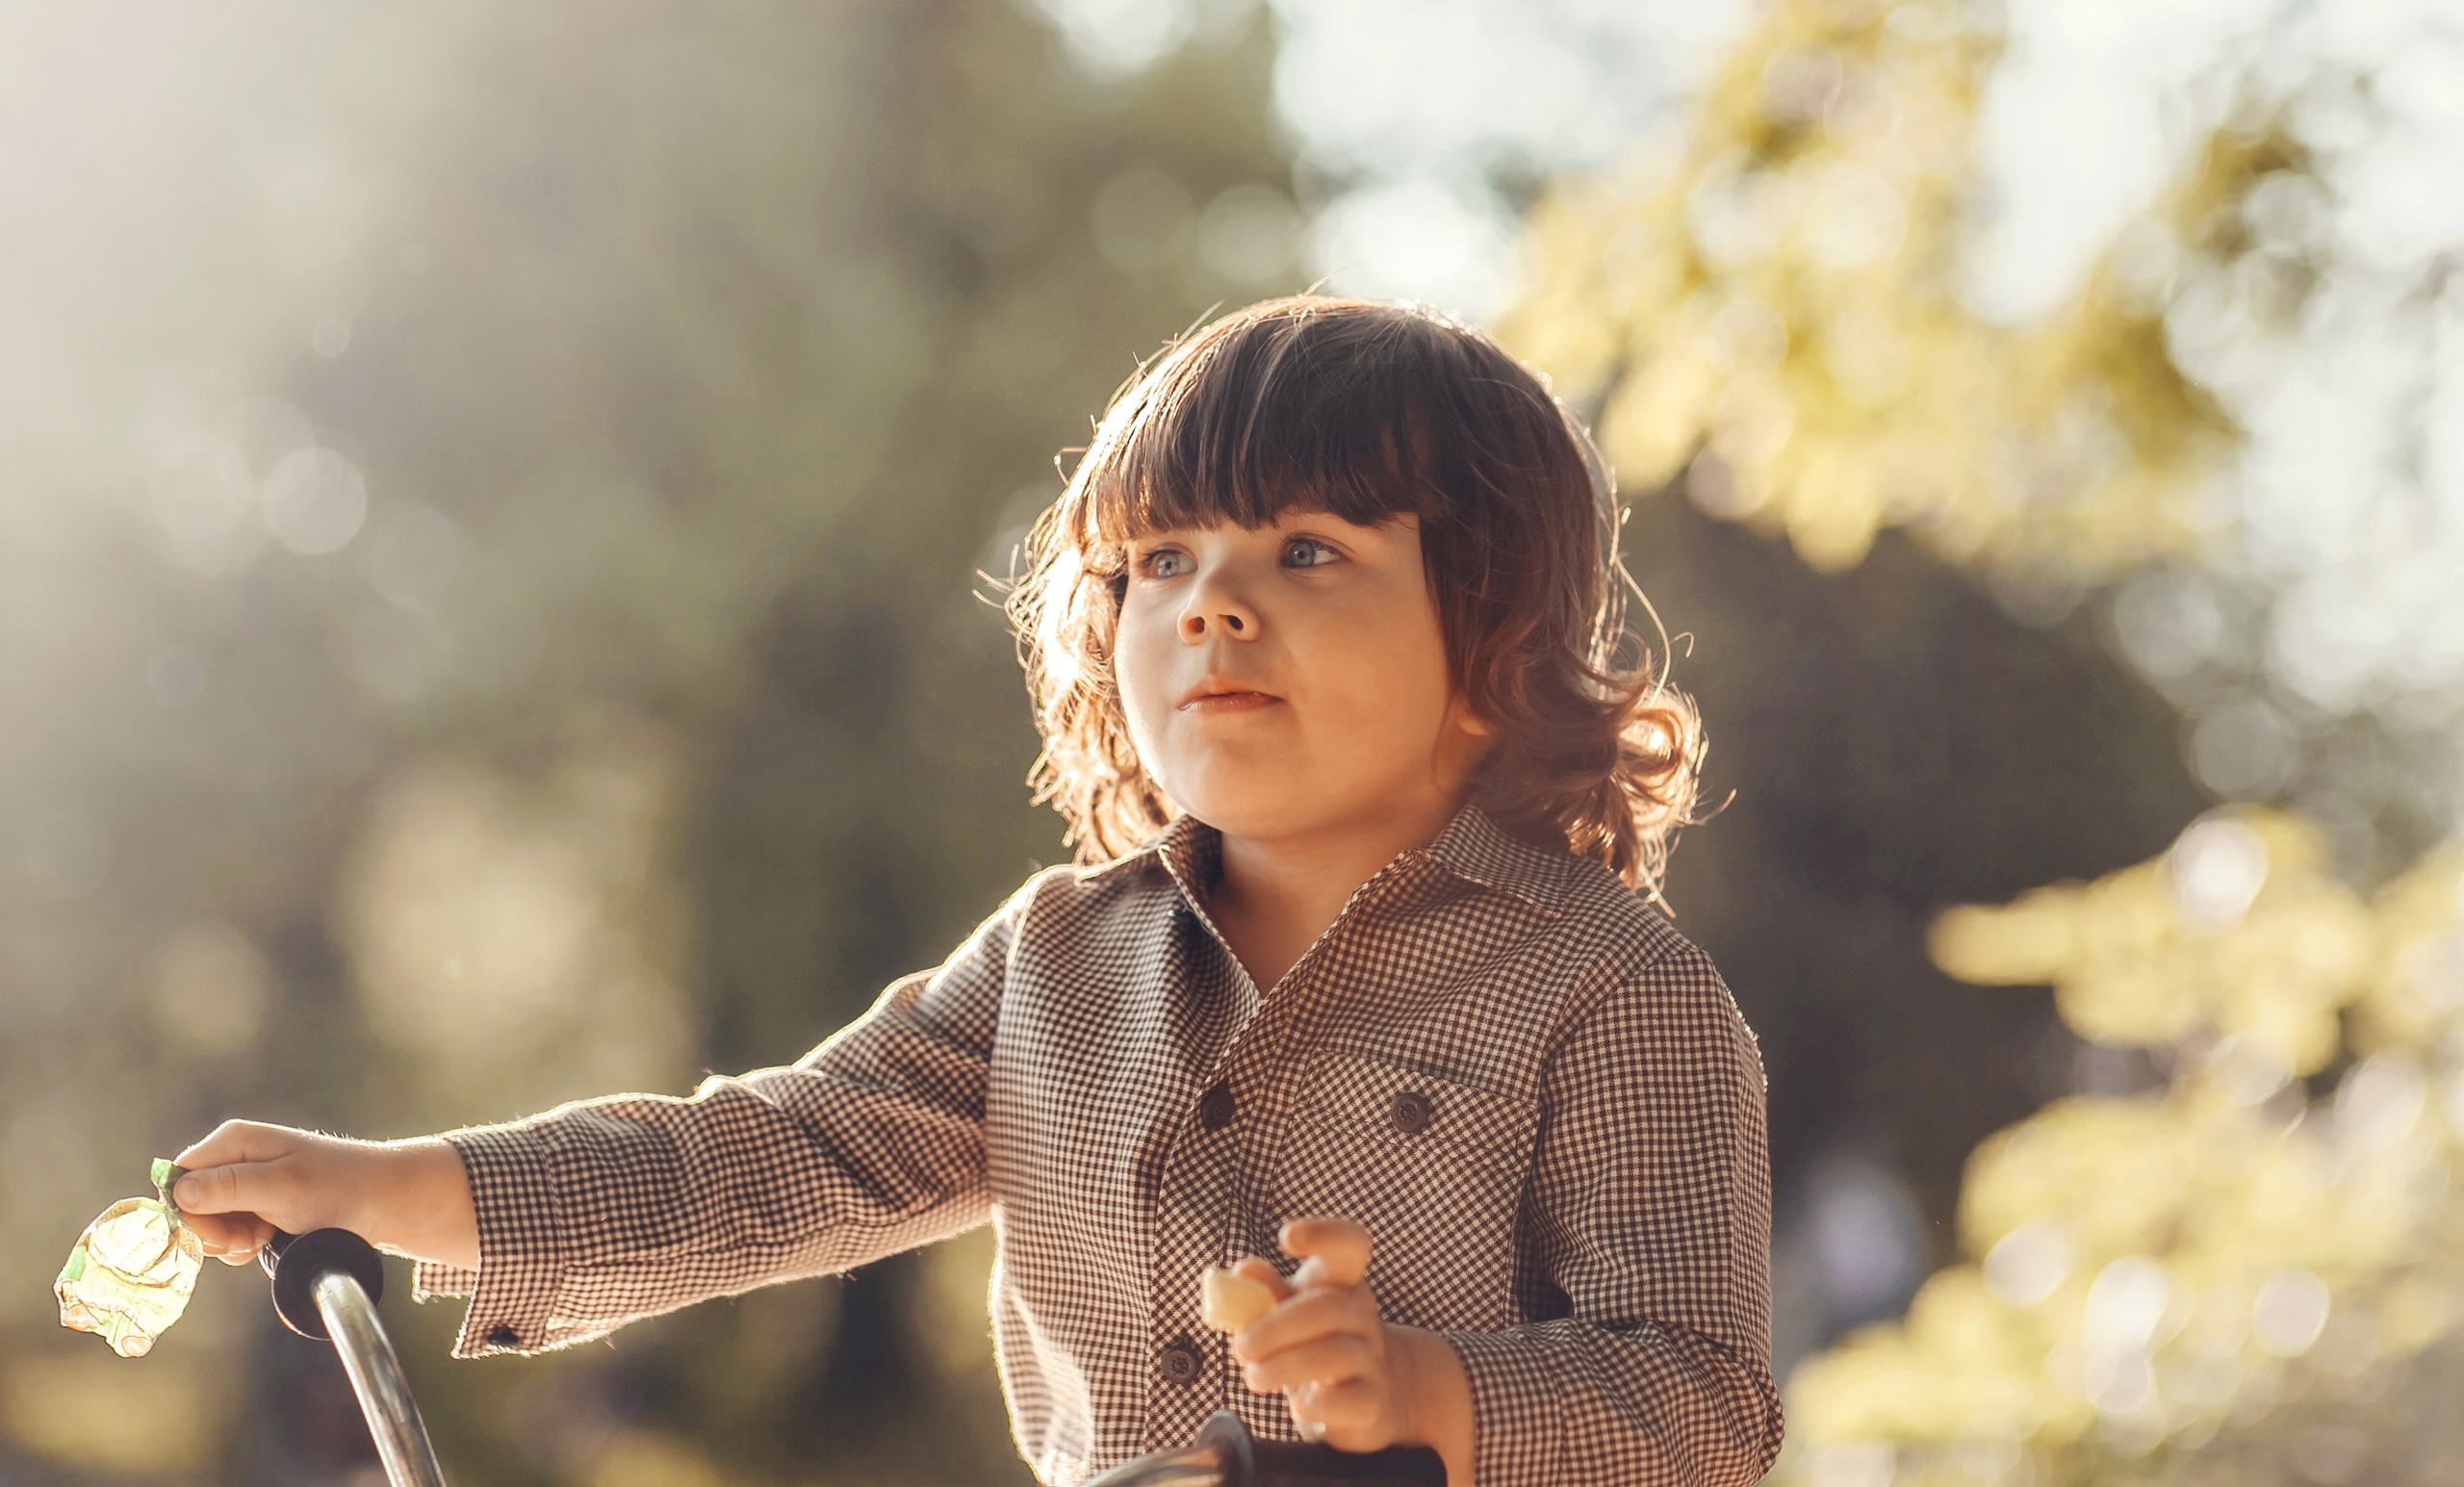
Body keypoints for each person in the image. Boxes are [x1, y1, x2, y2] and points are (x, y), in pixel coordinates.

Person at [172, 295, 1782, 1486]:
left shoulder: (1616, 991)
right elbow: (759, 1164)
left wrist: (1434, 1394)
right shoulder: (1055, 961)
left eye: (1308, 551)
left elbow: (1705, 1402)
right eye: (1161, 561)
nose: (1211, 605)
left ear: (1494, 649)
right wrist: (387, 1189)